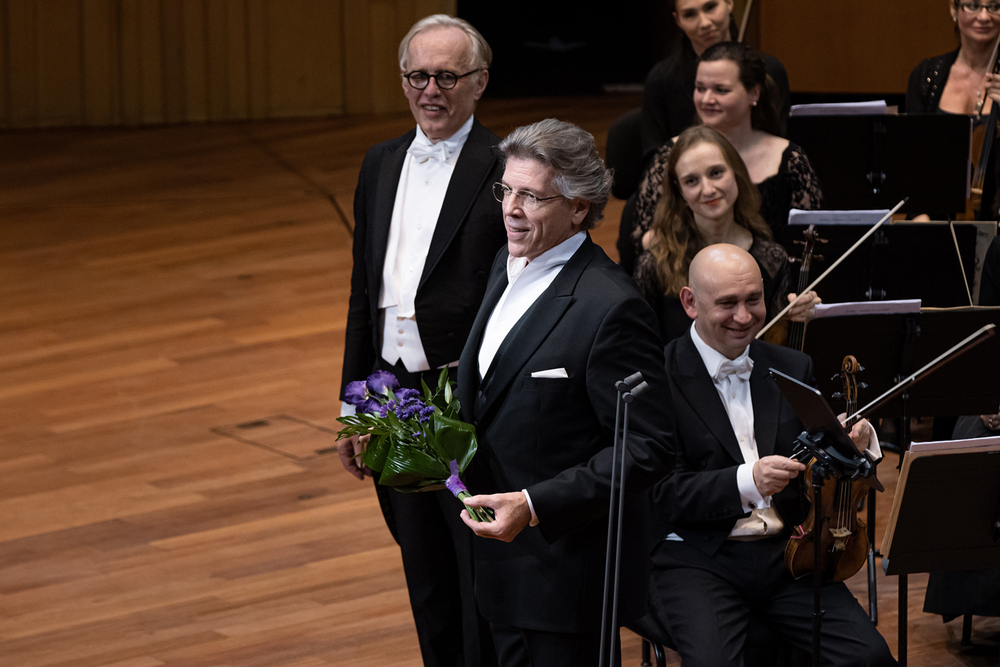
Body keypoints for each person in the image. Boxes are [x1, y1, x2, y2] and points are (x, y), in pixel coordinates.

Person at [455, 119, 677, 667]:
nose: (510, 208)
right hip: (499, 571)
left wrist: (533, 506)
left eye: (531, 196)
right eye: (506, 190)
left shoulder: (611, 307)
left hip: (563, 579)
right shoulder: (508, 265)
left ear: (578, 208)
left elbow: (648, 446)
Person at [337, 14, 506, 667]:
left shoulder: (503, 166)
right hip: (393, 394)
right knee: (425, 568)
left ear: (479, 82)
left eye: (446, 75)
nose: (430, 89)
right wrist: (356, 407)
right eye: (417, 76)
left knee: (477, 568)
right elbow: (363, 296)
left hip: (462, 392)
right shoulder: (379, 163)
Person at [645, 244, 897, 667]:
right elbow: (659, 494)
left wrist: (853, 443)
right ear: (690, 302)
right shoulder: (655, 377)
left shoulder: (792, 367)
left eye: (753, 300)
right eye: (727, 304)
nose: (744, 317)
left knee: (867, 657)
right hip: (697, 559)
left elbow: (823, 472)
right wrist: (748, 481)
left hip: (789, 556)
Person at [632, 41, 823, 257]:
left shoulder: (791, 159)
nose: (706, 99)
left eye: (721, 90)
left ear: (754, 94)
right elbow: (643, 238)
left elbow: (810, 243)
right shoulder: (670, 155)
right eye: (700, 88)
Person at [633, 125, 819, 344]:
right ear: (679, 191)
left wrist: (801, 320)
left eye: (716, 173)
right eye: (692, 181)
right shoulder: (654, 265)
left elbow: (777, 351)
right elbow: (640, 346)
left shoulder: (772, 259)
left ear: (736, 172)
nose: (708, 189)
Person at [640, 0, 790, 159]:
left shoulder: (770, 70)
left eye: (711, 7)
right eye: (690, 14)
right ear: (678, 20)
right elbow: (655, 158)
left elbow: (778, 144)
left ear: (729, 3)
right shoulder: (660, 79)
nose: (704, 23)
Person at [906, 1, 1000, 219]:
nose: (984, 17)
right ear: (953, 8)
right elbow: (912, 164)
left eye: (995, 6)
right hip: (933, 223)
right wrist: (920, 217)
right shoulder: (926, 77)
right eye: (974, 5)